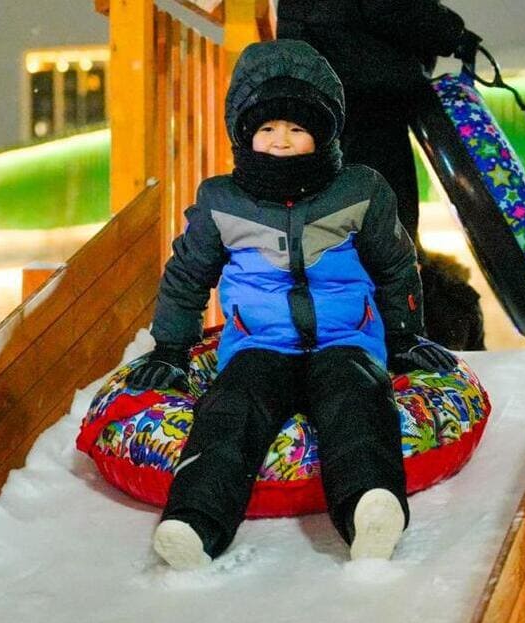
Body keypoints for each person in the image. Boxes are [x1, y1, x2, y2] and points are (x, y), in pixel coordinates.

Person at [126, 40, 458, 570]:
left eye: (297, 128)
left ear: (323, 133)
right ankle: (195, 523)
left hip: (346, 340)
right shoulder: (222, 201)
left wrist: (403, 335)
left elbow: (396, 266)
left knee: (356, 401)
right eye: (267, 127)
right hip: (259, 345)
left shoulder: (360, 191)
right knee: (231, 409)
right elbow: (187, 276)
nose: (280, 140)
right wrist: (170, 347)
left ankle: (370, 508)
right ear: (244, 133)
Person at [277, 0, 487, 351]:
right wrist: (451, 32)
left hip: (333, 88)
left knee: (345, 232)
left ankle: (349, 344)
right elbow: (388, 6)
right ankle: (395, 346)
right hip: (362, 91)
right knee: (385, 229)